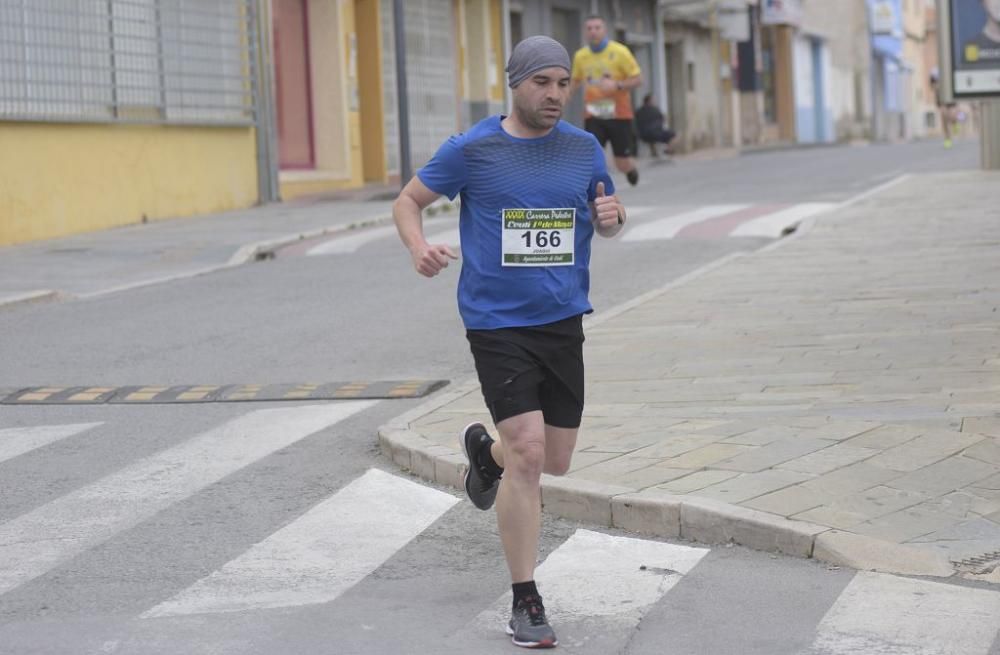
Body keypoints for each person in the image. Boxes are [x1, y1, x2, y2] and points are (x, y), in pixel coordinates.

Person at [392, 35, 627, 649]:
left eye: (562, 84)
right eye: (542, 83)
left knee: (554, 458)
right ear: (515, 83)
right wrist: (419, 248)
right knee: (528, 453)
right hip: (496, 322)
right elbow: (408, 202)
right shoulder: (473, 149)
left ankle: (483, 458)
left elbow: (607, 214)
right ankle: (526, 600)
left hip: (563, 318)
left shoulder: (582, 149)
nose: (554, 95)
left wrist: (613, 220)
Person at [570, 15, 643, 186]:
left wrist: (617, 85)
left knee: (621, 163)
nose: (593, 32)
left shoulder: (620, 52)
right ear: (585, 32)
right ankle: (595, 189)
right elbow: (575, 80)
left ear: (605, 30)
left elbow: (638, 79)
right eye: (589, 28)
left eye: (597, 27)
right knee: (591, 155)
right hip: (593, 114)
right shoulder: (581, 56)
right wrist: (563, 97)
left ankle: (630, 168)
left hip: (619, 114)